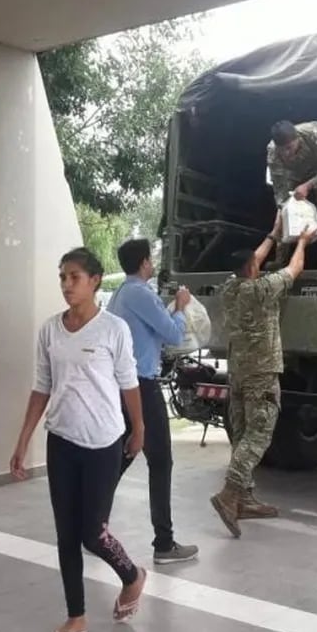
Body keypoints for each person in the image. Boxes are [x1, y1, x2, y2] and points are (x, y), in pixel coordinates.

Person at [10, 247, 148, 632]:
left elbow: (129, 382)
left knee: (93, 531)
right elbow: (41, 387)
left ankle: (132, 574)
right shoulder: (50, 330)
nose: (66, 285)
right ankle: (77, 616)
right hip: (62, 441)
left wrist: (138, 428)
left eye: (74, 277)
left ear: (94, 281)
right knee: (66, 534)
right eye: (62, 277)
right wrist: (22, 441)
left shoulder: (113, 329)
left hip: (104, 442)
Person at [210, 215, 317, 538]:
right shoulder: (262, 289)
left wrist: (272, 234)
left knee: (242, 434)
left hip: (239, 374)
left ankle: (244, 498)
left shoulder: (229, 288)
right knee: (258, 435)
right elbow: (294, 269)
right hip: (261, 375)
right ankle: (229, 494)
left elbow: (252, 260)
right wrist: (301, 242)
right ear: (253, 269)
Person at [107, 238, 199, 565]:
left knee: (122, 456)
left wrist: (170, 309)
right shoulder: (141, 294)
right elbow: (172, 335)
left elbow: (151, 328)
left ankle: (92, 526)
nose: (153, 261)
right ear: (145, 262)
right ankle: (164, 543)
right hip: (141, 387)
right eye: (152, 257)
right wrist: (183, 306)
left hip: (121, 387)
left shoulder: (121, 294)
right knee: (160, 462)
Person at [267, 119, 317, 269]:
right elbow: (280, 189)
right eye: (282, 150)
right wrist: (282, 207)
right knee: (284, 214)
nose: (286, 153)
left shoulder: (314, 134)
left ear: (298, 139)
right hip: (294, 173)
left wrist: (308, 185)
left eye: (289, 147)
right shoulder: (273, 153)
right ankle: (280, 261)